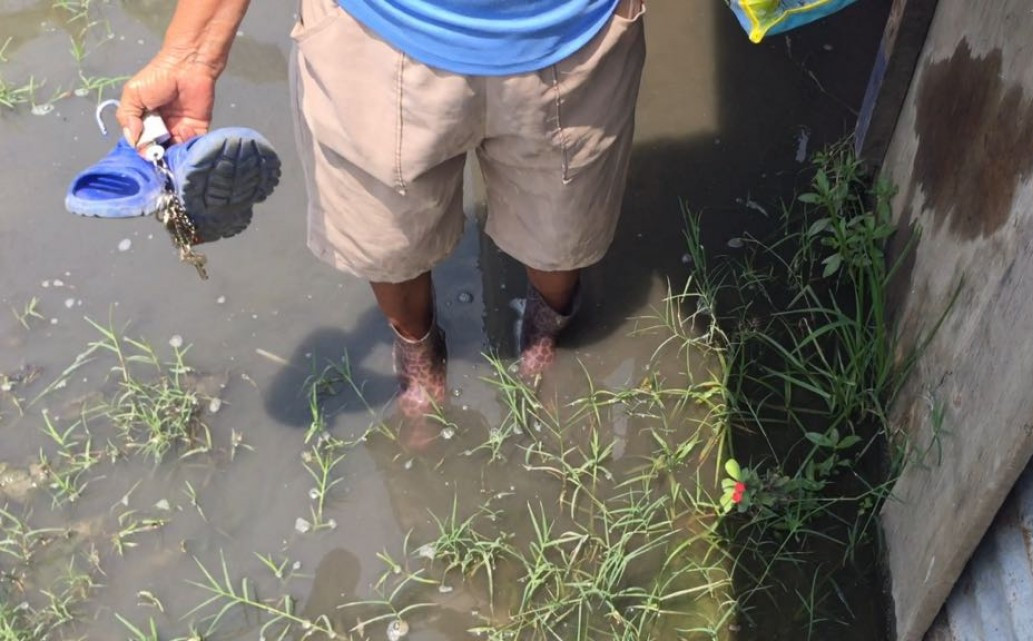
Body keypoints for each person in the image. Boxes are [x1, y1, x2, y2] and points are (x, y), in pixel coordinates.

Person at [116, 0, 646, 417]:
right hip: (375, 34)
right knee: (387, 246)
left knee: (562, 236)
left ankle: (546, 327)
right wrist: (195, 54)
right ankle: (418, 356)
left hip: (575, 33)